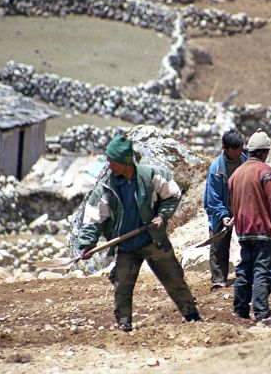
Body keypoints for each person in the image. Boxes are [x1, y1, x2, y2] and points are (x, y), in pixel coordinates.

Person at [78, 135, 201, 331]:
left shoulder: (151, 176)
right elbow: (94, 216)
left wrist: (162, 216)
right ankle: (124, 323)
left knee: (174, 279)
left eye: (112, 161)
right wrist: (87, 243)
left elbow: (173, 195)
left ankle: (192, 316)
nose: (109, 166)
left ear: (125, 161)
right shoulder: (107, 186)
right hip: (127, 246)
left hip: (153, 240)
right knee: (122, 286)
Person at [227, 130, 271, 324]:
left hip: (244, 231)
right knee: (263, 272)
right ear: (265, 152)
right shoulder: (266, 172)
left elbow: (233, 204)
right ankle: (263, 313)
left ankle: (240, 311)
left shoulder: (236, 174)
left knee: (245, 271)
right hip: (265, 231)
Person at [202, 129, 246, 289]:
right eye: (235, 149)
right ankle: (218, 279)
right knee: (219, 244)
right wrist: (224, 216)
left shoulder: (245, 161)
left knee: (248, 241)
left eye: (240, 148)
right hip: (221, 211)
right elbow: (213, 198)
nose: (239, 152)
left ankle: (248, 274)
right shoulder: (216, 169)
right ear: (225, 149)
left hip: (242, 208)